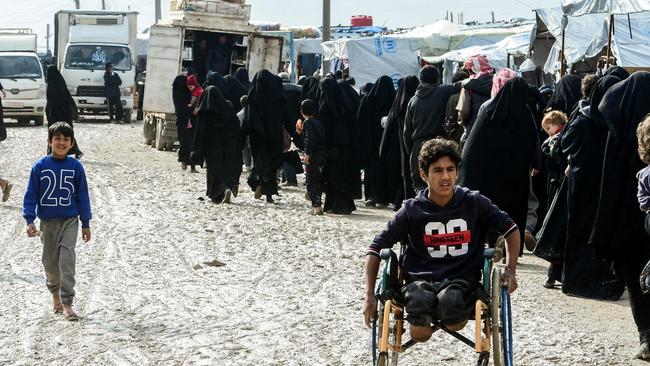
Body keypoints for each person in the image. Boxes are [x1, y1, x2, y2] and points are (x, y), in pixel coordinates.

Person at [363, 138, 520, 342]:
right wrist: (368, 296)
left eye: (450, 169)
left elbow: (511, 229)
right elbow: (375, 248)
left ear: (457, 172)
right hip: (419, 282)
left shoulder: (474, 202)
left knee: (451, 301)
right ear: (423, 174)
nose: (445, 176)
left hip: (462, 281)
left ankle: (448, 313)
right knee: (419, 326)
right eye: (437, 170)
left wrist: (511, 270)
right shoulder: (411, 210)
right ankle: (422, 320)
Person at [591, 72, 650, 360]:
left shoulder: (616, 141)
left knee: (637, 281)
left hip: (628, 228)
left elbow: (608, 189)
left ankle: (646, 335)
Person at [460, 76, 540, 253]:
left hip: (488, 172)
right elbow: (534, 141)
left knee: (488, 206)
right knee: (514, 209)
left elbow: (474, 144)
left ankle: (489, 243)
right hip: (515, 174)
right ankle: (511, 246)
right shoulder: (525, 113)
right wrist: (536, 163)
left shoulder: (489, 109)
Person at [23, 122, 92, 321]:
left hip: (70, 221)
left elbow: (82, 196)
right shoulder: (40, 166)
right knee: (51, 263)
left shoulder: (76, 167)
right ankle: (55, 295)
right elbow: (31, 195)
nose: (61, 143)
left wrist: (85, 223)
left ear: (72, 144)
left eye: (66, 140)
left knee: (67, 260)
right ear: (49, 141)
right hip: (47, 223)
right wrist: (29, 219)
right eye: (57, 139)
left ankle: (68, 303)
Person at [403, 66, 460, 194]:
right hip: (439, 146)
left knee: (420, 185)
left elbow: (407, 132)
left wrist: (412, 152)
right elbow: (461, 85)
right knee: (441, 185)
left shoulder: (413, 100)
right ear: (437, 78)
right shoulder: (444, 91)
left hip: (418, 146)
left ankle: (425, 210)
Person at [243, 70, 290, 204]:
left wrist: (245, 133)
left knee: (259, 161)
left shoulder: (253, 98)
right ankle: (268, 194)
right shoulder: (278, 96)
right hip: (274, 136)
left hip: (258, 136)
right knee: (272, 164)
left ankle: (258, 183)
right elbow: (286, 115)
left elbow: (248, 118)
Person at [192, 86, 242, 203]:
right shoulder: (227, 107)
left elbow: (201, 131)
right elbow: (236, 125)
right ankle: (227, 188)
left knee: (214, 170)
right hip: (229, 145)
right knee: (226, 168)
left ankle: (215, 194)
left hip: (213, 146)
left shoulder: (206, 112)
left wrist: (198, 150)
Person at [381, 75, 419, 208]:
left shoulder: (399, 104)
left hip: (400, 147)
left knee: (405, 176)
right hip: (413, 144)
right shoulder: (415, 102)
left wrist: (383, 149)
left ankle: (403, 202)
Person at [357, 76, 396, 208]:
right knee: (386, 170)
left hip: (371, 143)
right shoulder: (394, 100)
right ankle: (386, 197)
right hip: (388, 144)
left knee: (371, 170)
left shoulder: (368, 100)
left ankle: (372, 196)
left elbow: (360, 121)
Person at [456, 55, 494, 147]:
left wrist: (462, 122)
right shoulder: (498, 81)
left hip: (473, 129)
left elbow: (464, 112)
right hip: (493, 128)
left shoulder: (467, 87)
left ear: (473, 70)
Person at [45, 66, 83, 159]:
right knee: (66, 133)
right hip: (64, 114)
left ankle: (50, 152)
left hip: (55, 114)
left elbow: (51, 101)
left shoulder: (51, 84)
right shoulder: (61, 82)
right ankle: (76, 151)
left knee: (54, 133)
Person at [300, 99, 326, 215]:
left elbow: (309, 139)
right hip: (322, 154)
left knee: (310, 181)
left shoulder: (307, 123)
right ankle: (318, 204)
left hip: (313, 154)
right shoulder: (318, 122)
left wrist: (307, 154)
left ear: (302, 111)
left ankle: (316, 206)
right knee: (318, 180)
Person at [172, 75, 193, 171]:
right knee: (188, 141)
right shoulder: (185, 92)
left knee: (183, 141)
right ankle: (187, 162)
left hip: (181, 120)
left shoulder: (176, 91)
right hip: (188, 119)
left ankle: (185, 161)